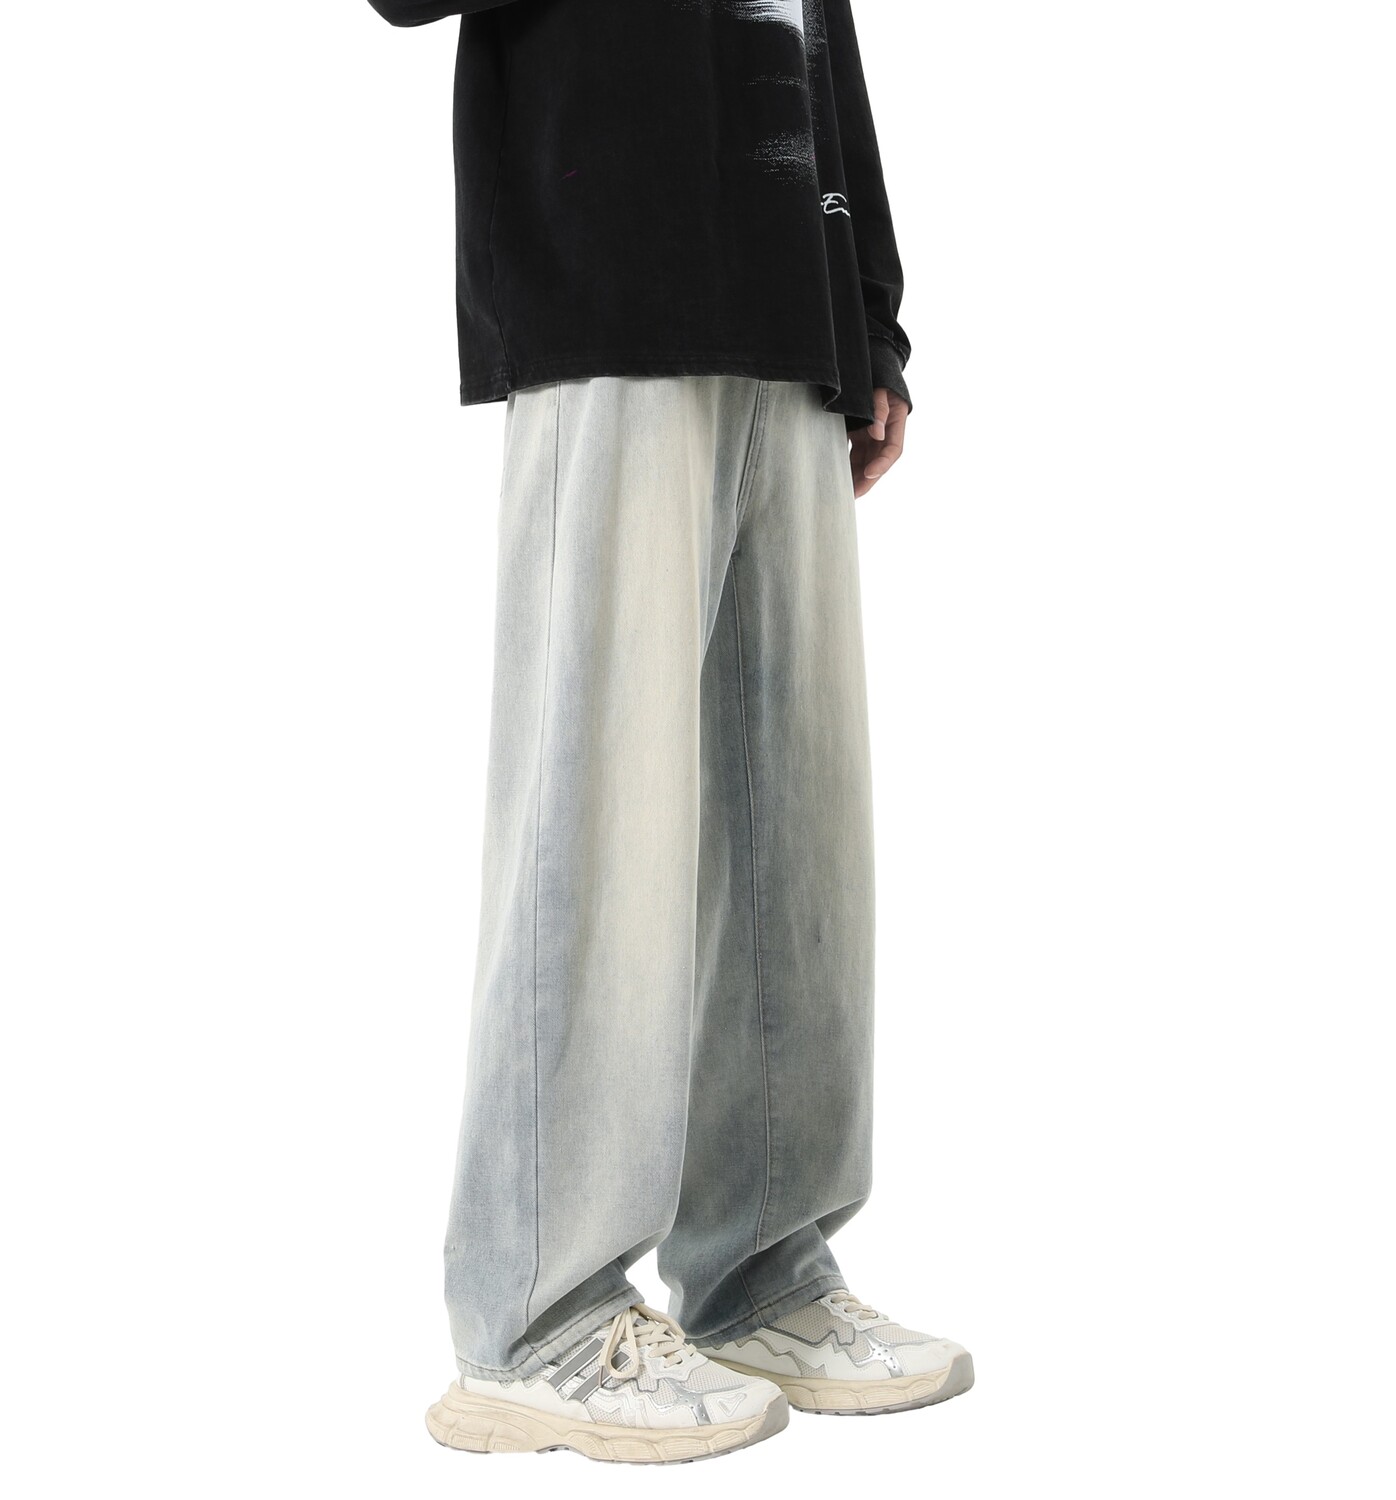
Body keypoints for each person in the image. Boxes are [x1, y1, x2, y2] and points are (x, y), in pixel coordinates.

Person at [365, 0, 972, 1463]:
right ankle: (534, 1319)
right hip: (610, 286)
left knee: (794, 826)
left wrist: (867, 311)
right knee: (604, 812)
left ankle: (763, 1272)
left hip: (786, 305)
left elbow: (812, 22)